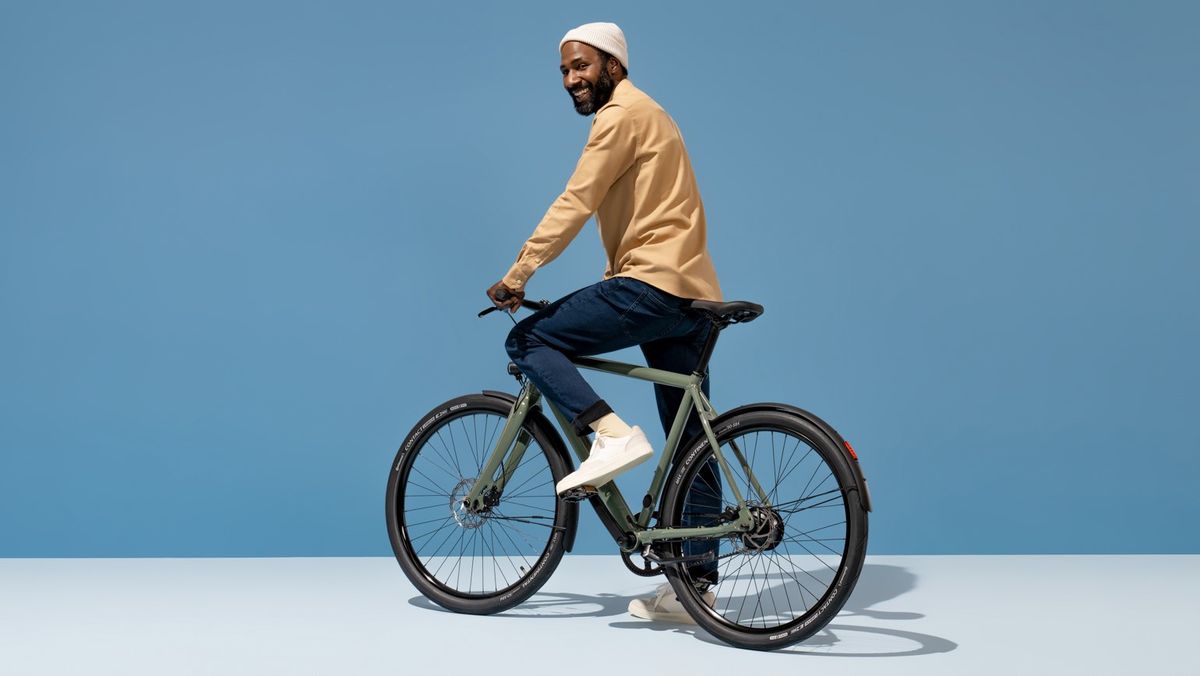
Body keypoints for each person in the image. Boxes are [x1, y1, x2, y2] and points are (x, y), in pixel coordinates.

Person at [486, 22, 721, 623]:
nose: (571, 80)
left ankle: (610, 434)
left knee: (529, 338)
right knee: (690, 439)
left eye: (581, 66)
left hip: (649, 282)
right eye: (564, 71)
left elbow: (577, 199)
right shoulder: (658, 114)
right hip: (690, 291)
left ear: (613, 64)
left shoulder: (621, 115)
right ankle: (695, 586)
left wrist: (520, 274)